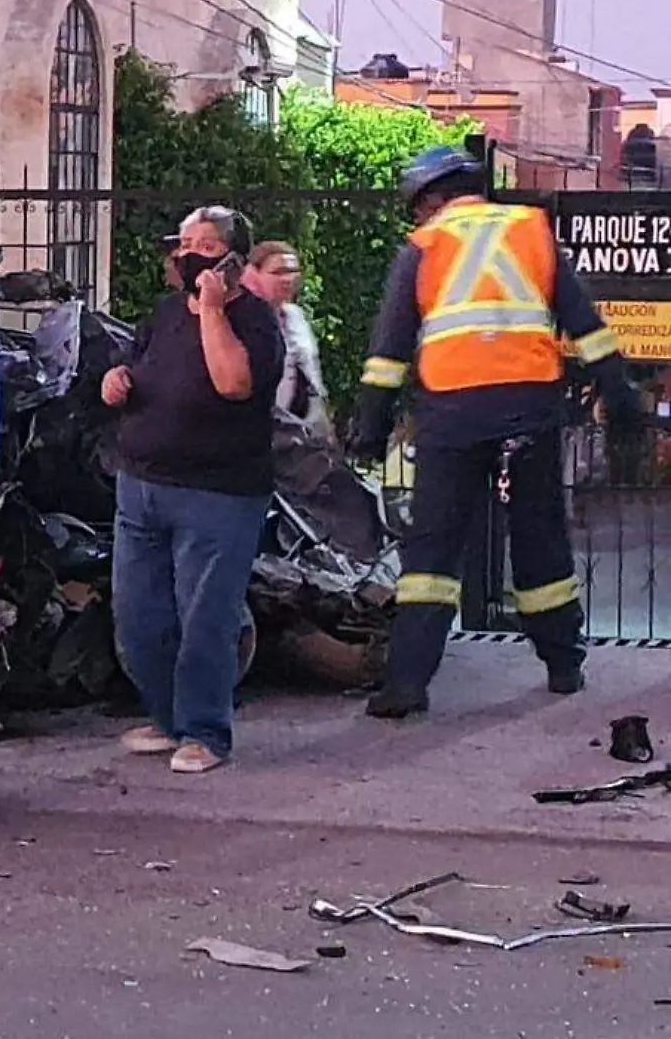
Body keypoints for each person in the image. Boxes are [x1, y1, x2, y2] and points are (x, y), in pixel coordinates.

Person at [347, 146, 641, 718]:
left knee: (432, 551)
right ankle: (563, 664)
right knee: (538, 536)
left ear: (429, 200)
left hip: (451, 414)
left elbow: (389, 351)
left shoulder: (424, 246)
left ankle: (407, 683)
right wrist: (619, 392)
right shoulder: (532, 230)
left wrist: (371, 426)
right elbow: (584, 324)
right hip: (529, 410)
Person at [102, 206, 285, 774]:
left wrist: (211, 308)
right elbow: (137, 367)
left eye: (204, 246)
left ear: (232, 259)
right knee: (139, 615)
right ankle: (167, 716)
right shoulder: (161, 315)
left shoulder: (254, 322)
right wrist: (116, 382)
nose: (188, 254)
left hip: (218, 493)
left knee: (206, 615)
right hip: (143, 484)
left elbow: (233, 383)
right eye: (183, 243)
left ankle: (206, 731)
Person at [244, 240, 334, 441]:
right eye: (277, 272)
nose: (287, 279)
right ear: (252, 274)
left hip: (297, 431)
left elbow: (312, 375)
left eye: (293, 271)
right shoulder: (244, 320)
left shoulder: (295, 316)